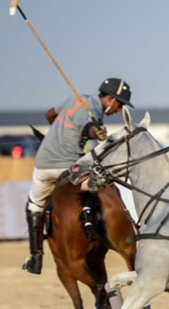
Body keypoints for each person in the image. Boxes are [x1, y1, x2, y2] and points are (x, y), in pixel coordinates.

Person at [22, 77, 133, 275]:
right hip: (68, 166)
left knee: (34, 205)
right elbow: (87, 128)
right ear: (109, 99)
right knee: (103, 183)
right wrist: (95, 132)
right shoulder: (94, 111)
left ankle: (35, 257)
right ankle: (98, 230)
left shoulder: (77, 98)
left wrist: (58, 134)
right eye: (119, 104)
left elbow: (50, 115)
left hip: (44, 164)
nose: (119, 109)